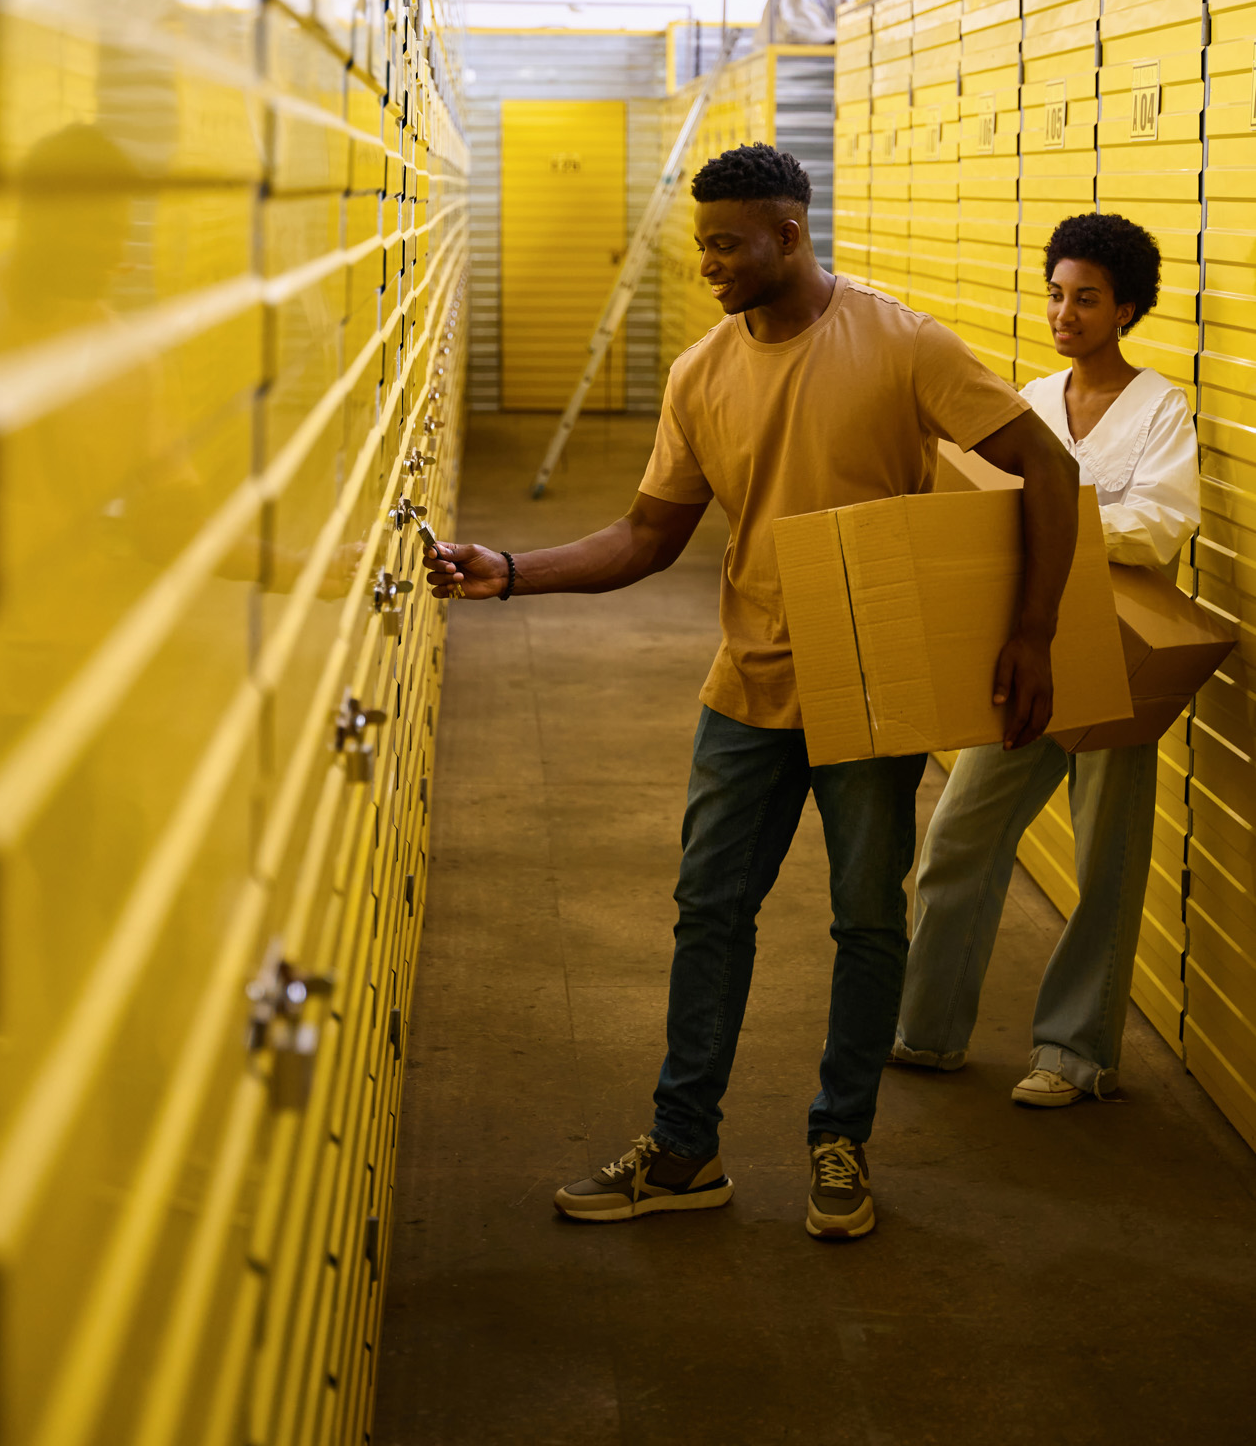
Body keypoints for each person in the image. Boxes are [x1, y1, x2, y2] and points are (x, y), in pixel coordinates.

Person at [425, 144, 1080, 1240]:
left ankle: (840, 1140)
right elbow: (646, 534)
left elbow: (1045, 468)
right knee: (709, 913)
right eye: (703, 244)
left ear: (790, 230)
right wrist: (513, 570)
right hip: (746, 682)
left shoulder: (899, 341)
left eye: (729, 243)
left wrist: (1033, 632)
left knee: (868, 918)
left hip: (868, 682)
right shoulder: (699, 373)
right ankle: (684, 1149)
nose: (709, 264)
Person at [893, 212, 1200, 1107]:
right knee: (958, 835)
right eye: (1057, 295)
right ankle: (926, 1029)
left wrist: (1055, 519)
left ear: (1126, 309)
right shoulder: (1027, 400)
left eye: (1087, 300)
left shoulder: (1158, 407)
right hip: (1024, 652)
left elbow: (1162, 524)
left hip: (1116, 654)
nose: (1064, 314)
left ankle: (1073, 1054)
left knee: (1103, 860)